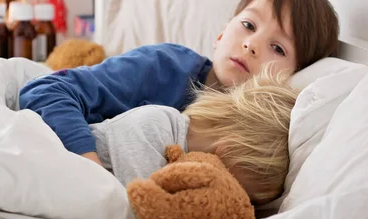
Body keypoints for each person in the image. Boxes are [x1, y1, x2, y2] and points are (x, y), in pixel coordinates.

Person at [19, 0, 339, 166]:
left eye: (278, 48)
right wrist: (90, 167)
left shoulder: (259, 140)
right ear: (220, 33)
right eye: (248, 25)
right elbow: (45, 90)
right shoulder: (164, 66)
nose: (252, 45)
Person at [89, 67, 297, 204]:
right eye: (242, 191)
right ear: (226, 153)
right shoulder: (156, 126)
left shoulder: (180, 157)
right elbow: (139, 206)